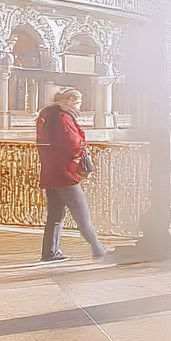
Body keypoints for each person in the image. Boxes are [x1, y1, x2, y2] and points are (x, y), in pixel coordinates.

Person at [36, 86, 105, 262]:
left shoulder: (45, 115)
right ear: (70, 101)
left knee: (55, 216)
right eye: (78, 103)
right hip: (65, 173)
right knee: (81, 213)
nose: (79, 107)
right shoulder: (62, 117)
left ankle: (50, 252)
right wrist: (77, 161)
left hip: (50, 172)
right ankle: (98, 249)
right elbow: (72, 142)